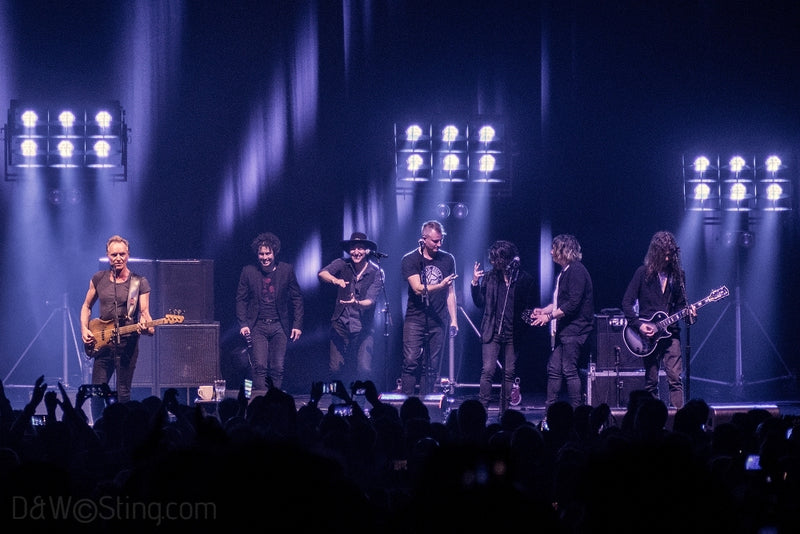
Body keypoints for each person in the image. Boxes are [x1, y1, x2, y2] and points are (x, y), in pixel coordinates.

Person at [80, 235, 154, 418]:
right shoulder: (98, 279)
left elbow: (144, 312)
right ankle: (98, 428)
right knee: (97, 392)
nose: (118, 258)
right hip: (102, 343)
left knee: (123, 393)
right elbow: (86, 306)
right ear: (108, 256)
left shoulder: (139, 282)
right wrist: (84, 329)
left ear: (128, 255)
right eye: (114, 255)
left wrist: (147, 326)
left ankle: (123, 431)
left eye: (122, 254)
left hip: (127, 344)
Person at [621, 230, 694, 409]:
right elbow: (626, 303)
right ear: (656, 253)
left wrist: (689, 314)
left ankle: (679, 419)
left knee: (675, 379)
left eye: (671, 255)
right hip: (648, 337)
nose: (668, 259)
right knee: (651, 381)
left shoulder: (678, 276)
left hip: (671, 334)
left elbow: (680, 305)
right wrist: (639, 325)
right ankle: (651, 420)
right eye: (665, 255)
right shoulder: (642, 273)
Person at [470, 240, 536, 413]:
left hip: (513, 332)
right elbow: (479, 303)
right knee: (488, 370)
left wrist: (525, 324)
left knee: (508, 373)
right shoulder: (490, 277)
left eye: (499, 261)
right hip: (492, 331)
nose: (496, 265)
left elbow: (529, 307)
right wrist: (475, 283)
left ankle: (504, 412)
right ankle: (481, 411)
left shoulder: (525, 279)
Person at [530, 234, 594, 409]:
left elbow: (573, 304)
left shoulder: (577, 270)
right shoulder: (565, 272)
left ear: (563, 251)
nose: (550, 252)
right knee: (554, 369)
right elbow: (562, 302)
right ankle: (550, 410)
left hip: (576, 330)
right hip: (565, 332)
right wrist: (544, 310)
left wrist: (548, 317)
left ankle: (577, 411)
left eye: (553, 248)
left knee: (569, 370)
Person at [236, 231, 304, 392]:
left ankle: (275, 401)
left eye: (268, 253)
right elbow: (241, 299)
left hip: (279, 325)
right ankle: (261, 401)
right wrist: (243, 323)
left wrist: (297, 325)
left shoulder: (286, 270)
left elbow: (297, 298)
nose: (265, 257)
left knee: (278, 367)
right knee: (259, 366)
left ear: (274, 253)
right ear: (257, 254)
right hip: (257, 325)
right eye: (261, 254)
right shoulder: (248, 271)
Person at [399, 220, 458, 396]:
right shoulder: (410, 259)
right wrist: (440, 285)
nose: (439, 244)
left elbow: (450, 293)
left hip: (439, 320)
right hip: (415, 319)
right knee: (410, 362)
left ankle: (426, 405)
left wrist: (454, 319)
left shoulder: (448, 259)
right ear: (423, 239)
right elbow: (417, 288)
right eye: (435, 241)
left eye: (441, 240)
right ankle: (408, 403)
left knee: (432, 367)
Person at [318, 232, 383, 387]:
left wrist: (357, 303)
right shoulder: (343, 264)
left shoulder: (376, 272)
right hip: (340, 325)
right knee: (335, 368)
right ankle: (336, 402)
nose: (356, 252)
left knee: (364, 369)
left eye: (360, 248)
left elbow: (371, 300)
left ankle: (360, 404)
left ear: (367, 250)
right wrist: (335, 280)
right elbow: (322, 273)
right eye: (353, 248)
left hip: (363, 328)